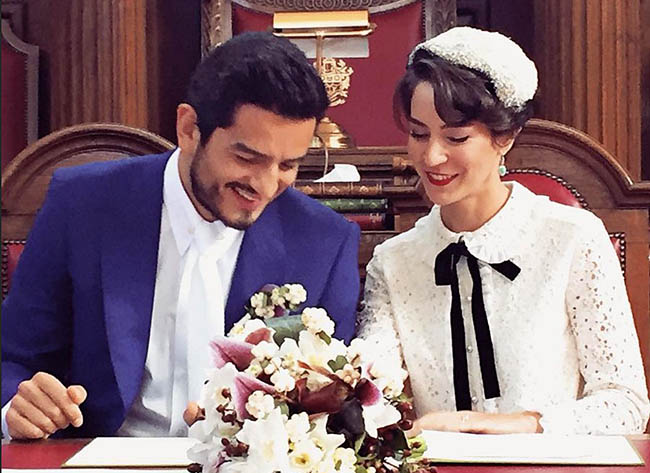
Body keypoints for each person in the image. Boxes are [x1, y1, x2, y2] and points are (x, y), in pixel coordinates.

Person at [1, 32, 361, 440]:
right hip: (98, 462)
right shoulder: (82, 204)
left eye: (287, 166)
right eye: (247, 158)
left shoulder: (324, 242)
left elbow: (333, 402)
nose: (264, 185)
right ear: (189, 128)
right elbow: (12, 357)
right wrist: (16, 407)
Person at [358, 27, 649, 435]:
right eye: (418, 134)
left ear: (505, 137)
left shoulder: (573, 237)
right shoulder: (393, 262)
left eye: (456, 137)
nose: (432, 156)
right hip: (438, 472)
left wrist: (516, 425)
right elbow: (373, 393)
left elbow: (625, 403)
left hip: (552, 471)